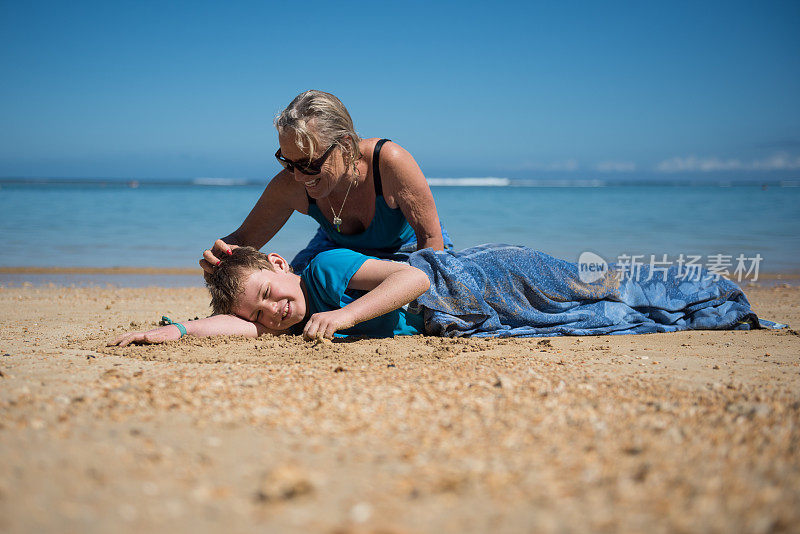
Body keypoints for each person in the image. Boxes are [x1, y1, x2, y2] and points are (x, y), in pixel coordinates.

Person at [110, 246, 782, 347]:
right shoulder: (279, 320)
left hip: (482, 276)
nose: (272, 310)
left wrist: (343, 313)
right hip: (467, 314)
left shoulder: (322, 274)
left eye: (266, 292)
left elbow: (415, 280)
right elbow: (245, 331)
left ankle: (720, 290)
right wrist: (175, 332)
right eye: (260, 310)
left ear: (281, 265)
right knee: (602, 319)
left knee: (600, 288)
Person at [200, 90, 453, 274]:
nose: (298, 176)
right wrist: (219, 257)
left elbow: (432, 243)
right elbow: (244, 238)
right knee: (297, 290)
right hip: (334, 250)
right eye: (287, 162)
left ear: (344, 145)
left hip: (407, 250)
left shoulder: (387, 163)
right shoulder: (291, 183)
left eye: (309, 163)